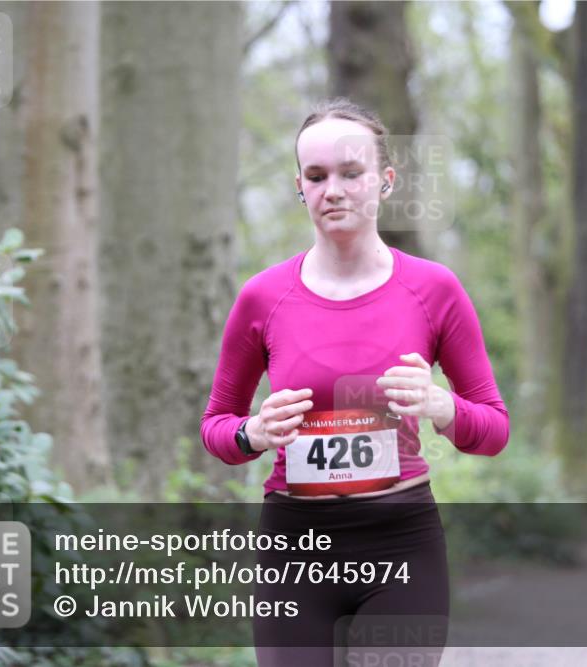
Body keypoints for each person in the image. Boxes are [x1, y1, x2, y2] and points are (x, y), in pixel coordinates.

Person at [200, 98, 509, 666]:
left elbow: (493, 430)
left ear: (385, 181)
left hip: (401, 543)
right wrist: (255, 432)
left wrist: (441, 405)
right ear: (299, 186)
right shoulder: (263, 298)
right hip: (294, 547)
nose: (333, 190)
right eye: (316, 177)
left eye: (350, 173)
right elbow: (216, 428)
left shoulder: (434, 290)